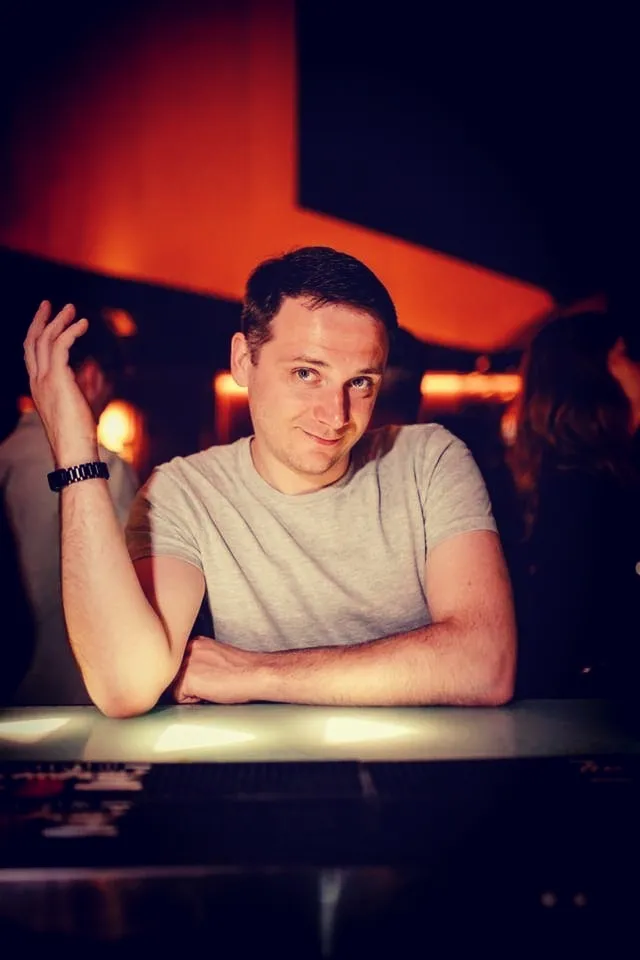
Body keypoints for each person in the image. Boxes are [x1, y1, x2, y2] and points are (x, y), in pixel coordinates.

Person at [22, 246, 516, 717]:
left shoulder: (430, 460)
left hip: (419, 767)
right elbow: (125, 685)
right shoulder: (183, 491)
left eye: (360, 382)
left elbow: (486, 664)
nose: (336, 415)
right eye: (306, 374)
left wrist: (253, 673)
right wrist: (75, 447)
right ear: (243, 360)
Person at [1, 311, 139, 704]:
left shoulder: (6, 457)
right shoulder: (105, 468)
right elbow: (128, 592)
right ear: (92, 376)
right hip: (81, 693)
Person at [507, 310, 640, 699]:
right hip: (597, 702)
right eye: (624, 355)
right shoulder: (590, 486)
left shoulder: (564, 476)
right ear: (594, 376)